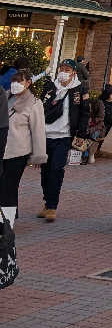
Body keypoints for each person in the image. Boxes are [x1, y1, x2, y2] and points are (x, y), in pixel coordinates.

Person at [39, 58, 88, 221]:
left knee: (56, 170)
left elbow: (84, 113)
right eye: (62, 68)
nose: (64, 71)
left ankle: (52, 206)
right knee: (45, 171)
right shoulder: (50, 86)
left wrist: (81, 134)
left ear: (74, 72)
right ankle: (46, 202)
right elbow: (41, 107)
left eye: (67, 69)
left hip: (64, 137)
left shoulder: (79, 89)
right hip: (46, 135)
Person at [0, 69, 47, 226]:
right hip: (2, 149)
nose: (16, 85)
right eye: (14, 81)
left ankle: (8, 222)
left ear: (28, 83)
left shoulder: (34, 103)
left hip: (18, 151)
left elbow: (38, 131)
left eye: (20, 81)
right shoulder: (4, 97)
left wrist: (39, 155)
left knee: (9, 186)